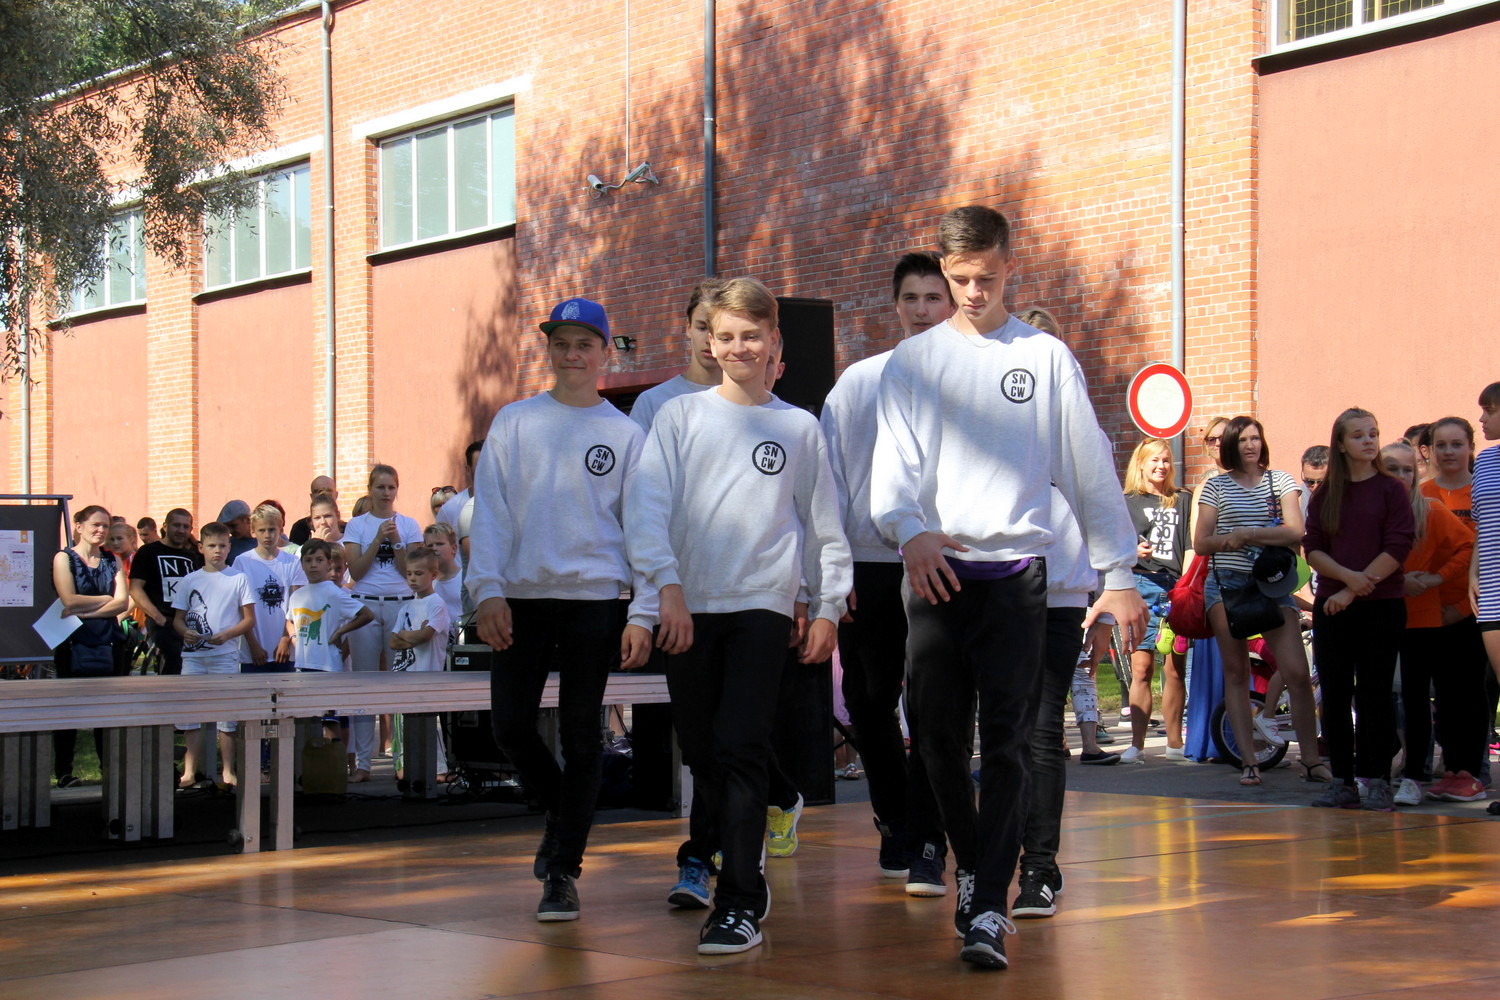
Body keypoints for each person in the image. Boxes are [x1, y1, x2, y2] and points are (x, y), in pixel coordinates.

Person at [870, 206, 1145, 970]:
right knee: (935, 740)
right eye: (959, 279)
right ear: (944, 270)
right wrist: (908, 529)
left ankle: (990, 901)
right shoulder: (914, 362)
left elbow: (1087, 466)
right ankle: (974, 869)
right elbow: (891, 469)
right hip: (935, 574)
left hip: (1018, 576)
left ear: (1008, 266)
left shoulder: (1045, 357)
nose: (971, 292)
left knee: (1011, 742)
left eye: (985, 278)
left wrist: (1118, 572)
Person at [625, 277, 850, 955]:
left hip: (761, 607)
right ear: (709, 341)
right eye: (725, 336)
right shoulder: (677, 418)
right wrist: (663, 592)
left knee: (741, 747)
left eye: (752, 335)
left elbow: (822, 525)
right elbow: (646, 511)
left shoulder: (798, 427)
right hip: (689, 609)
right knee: (703, 752)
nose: (738, 347)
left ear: (774, 341)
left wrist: (827, 605)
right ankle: (744, 857)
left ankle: (740, 899)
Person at [469, 296, 655, 923]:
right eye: (562, 343)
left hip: (594, 599)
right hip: (520, 597)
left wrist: (642, 612)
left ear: (605, 351)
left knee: (581, 736)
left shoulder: (625, 434)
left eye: (585, 344)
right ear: (548, 349)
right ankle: (561, 812)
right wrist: (487, 590)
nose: (572, 355)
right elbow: (491, 515)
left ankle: (563, 871)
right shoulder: (516, 422)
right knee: (510, 727)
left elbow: (642, 529)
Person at [820, 251, 953, 886]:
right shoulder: (859, 382)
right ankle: (895, 817)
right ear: (895, 305)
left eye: (934, 297)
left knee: (933, 705)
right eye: (911, 299)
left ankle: (927, 833)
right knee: (869, 702)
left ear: (951, 303)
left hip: (942, 565)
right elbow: (828, 479)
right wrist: (835, 568)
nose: (922, 310)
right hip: (868, 566)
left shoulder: (967, 377)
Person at [1194, 416, 1326, 787]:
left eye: (1255, 438)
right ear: (1231, 446)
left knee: (1297, 672)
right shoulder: (1216, 486)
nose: (1250, 445)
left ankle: (1311, 760)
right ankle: (1249, 762)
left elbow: (1296, 530)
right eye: (1243, 440)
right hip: (1227, 586)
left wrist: (1249, 533)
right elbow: (1202, 542)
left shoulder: (1280, 481)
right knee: (1236, 673)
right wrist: (1231, 539)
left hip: (1273, 584)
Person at [1014, 486, 1120, 919]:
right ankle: (975, 866)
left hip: (1062, 595)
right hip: (993, 588)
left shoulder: (1072, 440)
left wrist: (1107, 609)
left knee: (1042, 729)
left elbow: (1102, 504)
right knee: (1006, 732)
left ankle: (1038, 866)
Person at [1304, 409, 1415, 810]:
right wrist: (1346, 579)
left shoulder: (1390, 490)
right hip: (1333, 607)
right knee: (1334, 694)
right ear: (1340, 443)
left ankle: (1379, 779)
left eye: (1373, 434)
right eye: (1358, 435)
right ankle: (1343, 781)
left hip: (1380, 605)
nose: (1369, 441)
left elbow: (1398, 545)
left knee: (1375, 693)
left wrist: (1353, 589)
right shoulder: (1326, 494)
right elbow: (1313, 547)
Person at [1379, 441, 1480, 805]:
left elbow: (1468, 546)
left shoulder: (1430, 509)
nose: (1402, 476)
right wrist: (1396, 581)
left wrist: (1438, 578)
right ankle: (1373, 773)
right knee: (1379, 696)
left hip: (1421, 619)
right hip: (1379, 614)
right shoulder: (1370, 512)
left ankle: (1416, 776)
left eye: (1408, 469)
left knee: (1417, 697)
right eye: (1393, 469)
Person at [1421, 415, 1496, 794]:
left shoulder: (1481, 488)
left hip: (1473, 607)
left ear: (1470, 448)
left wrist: (1464, 607)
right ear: (1430, 451)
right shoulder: (1423, 493)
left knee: (1473, 691)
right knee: (1444, 694)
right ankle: (1451, 769)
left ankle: (1472, 771)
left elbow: (1482, 552)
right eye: (1441, 445)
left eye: (1457, 444)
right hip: (1432, 610)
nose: (1448, 452)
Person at [342, 465, 424, 782]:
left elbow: (410, 571)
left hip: (400, 604)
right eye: (380, 487)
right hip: (365, 604)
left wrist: (398, 540)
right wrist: (378, 538)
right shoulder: (357, 525)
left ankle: (401, 760)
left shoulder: (409, 524)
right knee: (364, 683)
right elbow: (356, 571)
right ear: (370, 489)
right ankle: (363, 764)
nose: (386, 493)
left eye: (391, 487)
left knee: (399, 681)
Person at [1120, 437, 1192, 762]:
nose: (1161, 466)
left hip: (1175, 587)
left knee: (1175, 668)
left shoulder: (1182, 499)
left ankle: (1175, 743)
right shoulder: (1126, 502)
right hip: (1141, 584)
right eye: (1154, 460)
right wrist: (1132, 551)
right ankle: (1137, 745)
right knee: (1142, 668)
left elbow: (1190, 545)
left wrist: (1186, 587)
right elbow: (1112, 545)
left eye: (1165, 460)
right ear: (1141, 464)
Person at [171, 522, 256, 788]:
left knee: (227, 715)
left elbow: (249, 619)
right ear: (201, 548)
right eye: (211, 546)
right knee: (190, 713)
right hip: (193, 657)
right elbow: (178, 619)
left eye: (222, 545)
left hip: (225, 656)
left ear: (229, 547)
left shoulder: (238, 578)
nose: (217, 551)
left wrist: (228, 634)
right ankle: (189, 770)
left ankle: (228, 770)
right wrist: (185, 632)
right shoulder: (190, 580)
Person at [51, 505, 130, 787]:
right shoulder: (64, 558)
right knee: (68, 711)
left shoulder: (112, 560)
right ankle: (64, 772)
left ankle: (109, 770)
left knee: (106, 712)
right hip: (73, 644)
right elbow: (69, 599)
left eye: (105, 526)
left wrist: (86, 612)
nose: (101, 530)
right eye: (96, 524)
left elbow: (122, 602)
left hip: (108, 643)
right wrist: (105, 600)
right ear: (79, 526)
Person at [629, 278, 728, 432]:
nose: (709, 339)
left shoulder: (749, 400)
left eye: (719, 330)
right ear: (688, 328)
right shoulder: (653, 402)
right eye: (702, 328)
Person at [1468, 386, 1500, 789]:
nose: (1482, 419)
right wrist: (1473, 574)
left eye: (1490, 411)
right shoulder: (1488, 460)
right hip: (1491, 588)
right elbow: (1481, 525)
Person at [231, 503, 305, 673]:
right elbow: (241, 608)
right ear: (253, 531)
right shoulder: (242, 562)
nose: (267, 535)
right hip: (253, 651)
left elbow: (295, 606)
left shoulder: (292, 562)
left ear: (281, 529)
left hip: (285, 651)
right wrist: (253, 645)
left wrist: (285, 639)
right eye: (261, 530)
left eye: (272, 529)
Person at [129, 508, 204, 676]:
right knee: (175, 659)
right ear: (165, 526)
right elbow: (135, 588)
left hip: (189, 621)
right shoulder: (148, 552)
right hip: (163, 620)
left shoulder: (194, 556)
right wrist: (158, 617)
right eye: (176, 525)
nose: (181, 530)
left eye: (185, 526)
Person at [437, 441, 484, 533]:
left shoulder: (509, 504)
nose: (487, 471)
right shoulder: (450, 510)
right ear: (468, 470)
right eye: (480, 467)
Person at [289, 477, 341, 546]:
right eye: (316, 491)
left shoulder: (349, 531)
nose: (323, 522)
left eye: (329, 490)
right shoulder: (300, 528)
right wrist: (315, 544)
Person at [217, 500, 255, 564]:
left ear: (247, 520)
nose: (230, 531)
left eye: (233, 525)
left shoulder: (263, 542)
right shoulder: (226, 546)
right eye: (227, 527)